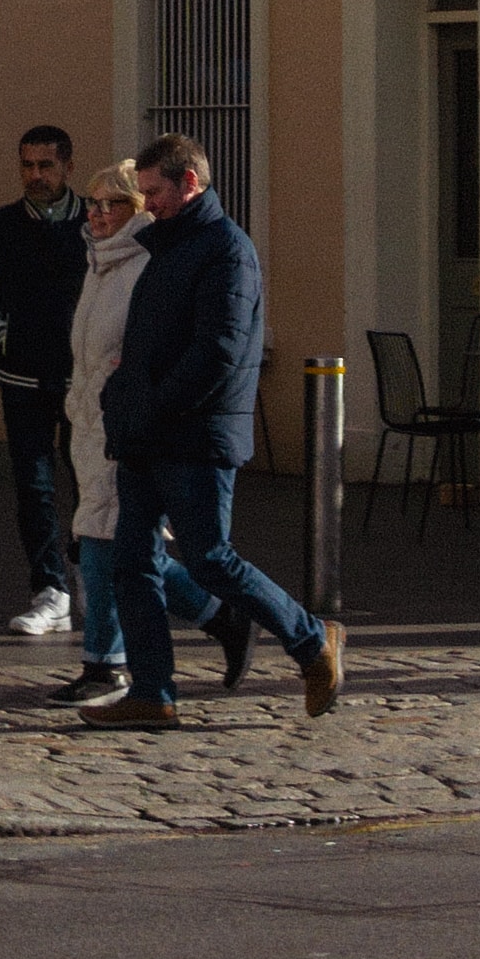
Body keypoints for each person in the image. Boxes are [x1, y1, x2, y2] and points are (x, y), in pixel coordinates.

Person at [89, 140, 347, 727]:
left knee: (209, 558)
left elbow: (220, 350)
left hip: (194, 436)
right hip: (147, 433)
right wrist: (124, 397)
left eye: (154, 192)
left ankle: (312, 640)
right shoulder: (168, 246)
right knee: (134, 561)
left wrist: (149, 404)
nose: (146, 204)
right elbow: (148, 345)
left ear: (190, 184)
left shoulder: (227, 250)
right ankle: (153, 692)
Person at [49, 169, 226, 710]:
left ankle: (108, 663)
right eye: (92, 203)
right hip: (89, 424)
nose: (98, 213)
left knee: (106, 546)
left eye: (114, 203)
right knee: (115, 546)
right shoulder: (99, 264)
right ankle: (221, 615)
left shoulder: (147, 263)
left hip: (126, 426)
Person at [0, 120, 93, 640]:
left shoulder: (96, 221)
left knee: (91, 483)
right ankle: (49, 590)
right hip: (22, 377)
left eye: (45, 165)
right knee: (33, 488)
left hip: (83, 381)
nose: (35, 175)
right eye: (27, 165)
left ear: (67, 167)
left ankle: (87, 573)